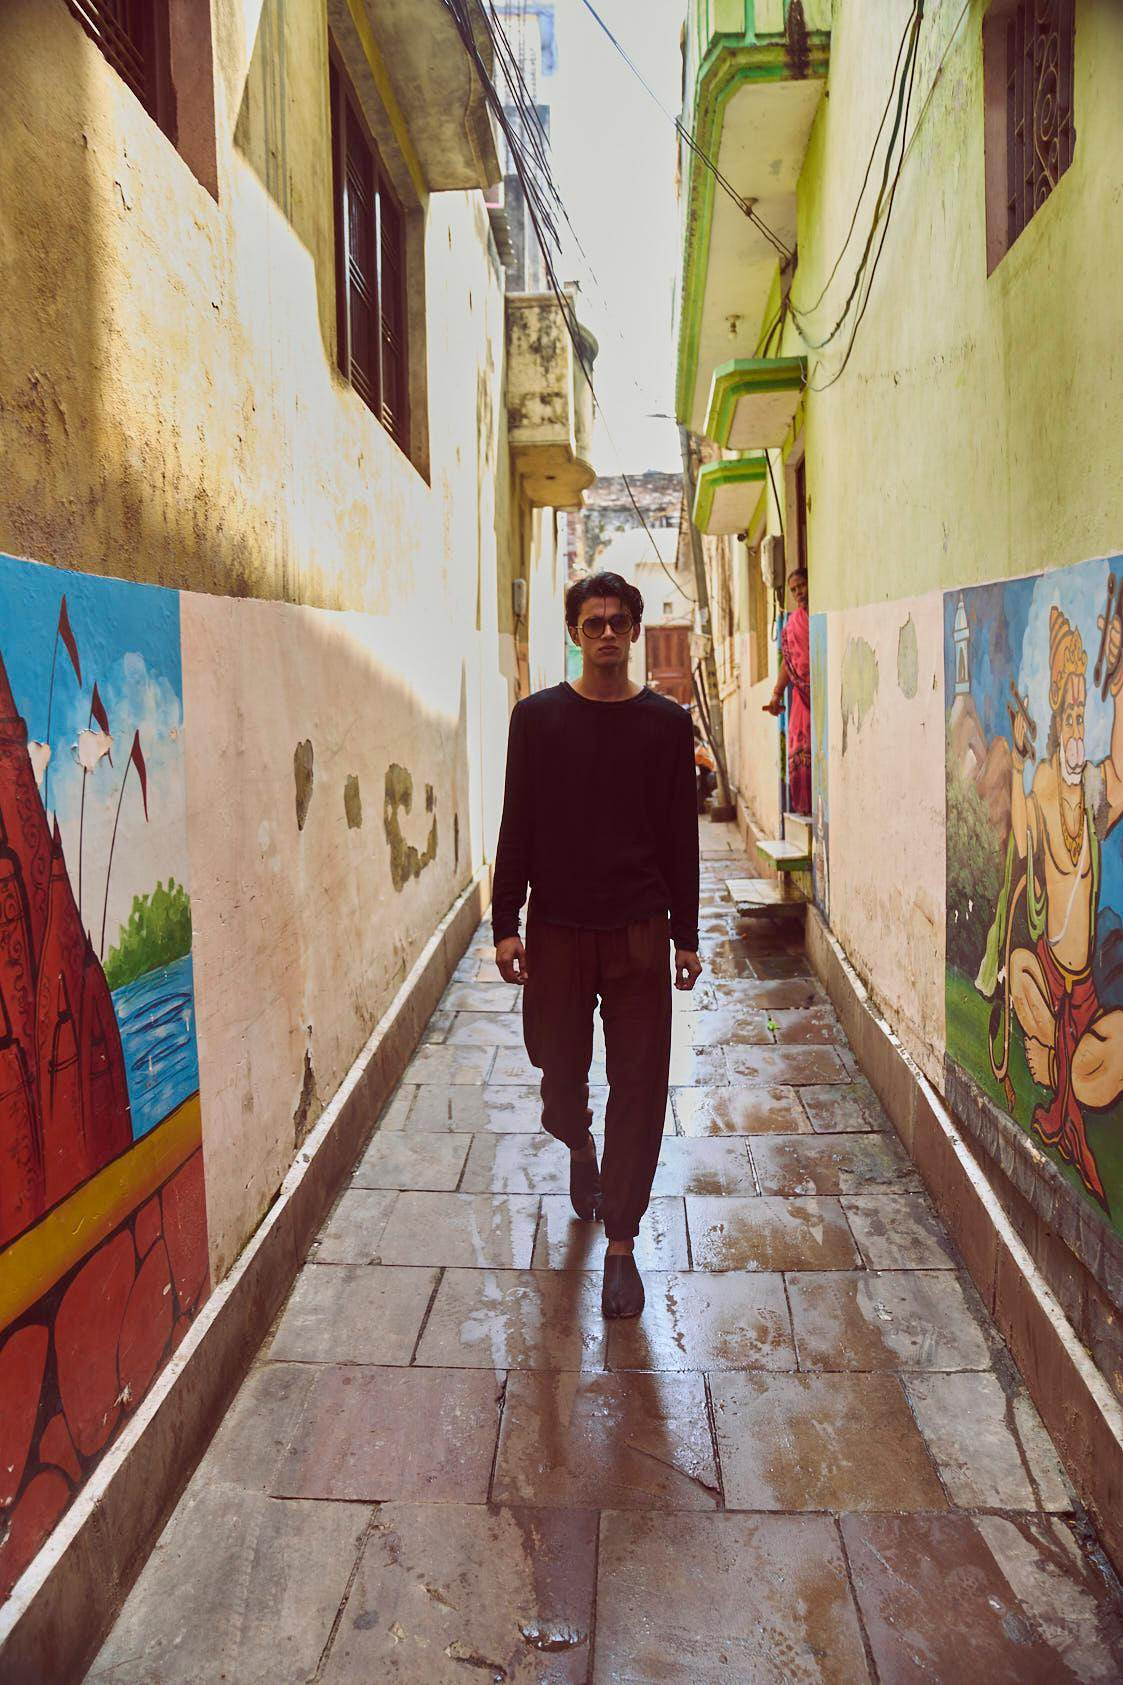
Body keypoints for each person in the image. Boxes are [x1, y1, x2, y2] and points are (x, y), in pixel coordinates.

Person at [491, 570, 702, 1318]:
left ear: (635, 631)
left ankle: (621, 1243)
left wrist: (687, 934)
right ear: (575, 633)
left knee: (639, 1082)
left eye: (618, 621)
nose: (607, 633)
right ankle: (579, 1145)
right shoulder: (537, 719)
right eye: (593, 623)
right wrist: (505, 923)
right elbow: (516, 821)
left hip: (640, 930)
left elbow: (680, 836)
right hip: (557, 929)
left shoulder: (666, 726)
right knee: (558, 1072)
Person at [764, 568, 811, 815]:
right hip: (802, 699)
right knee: (801, 748)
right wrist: (776, 694)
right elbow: (788, 660)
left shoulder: (819, 616)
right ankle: (805, 806)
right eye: (793, 590)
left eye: (802, 585)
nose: (798, 592)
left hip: (822, 695)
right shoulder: (793, 624)